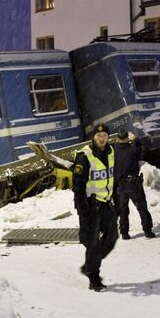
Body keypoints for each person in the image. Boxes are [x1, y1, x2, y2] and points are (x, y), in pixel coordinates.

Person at [72, 123, 118, 292]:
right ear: (93, 137)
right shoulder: (84, 156)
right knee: (92, 243)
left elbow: (114, 178)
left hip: (106, 203)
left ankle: (89, 266)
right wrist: (83, 210)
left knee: (111, 239)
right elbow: (78, 186)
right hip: (90, 206)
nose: (102, 138)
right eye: (99, 136)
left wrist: (117, 202)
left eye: (105, 135)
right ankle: (93, 277)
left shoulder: (111, 152)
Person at [113, 128, 155, 240]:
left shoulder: (114, 150)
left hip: (121, 185)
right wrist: (135, 139)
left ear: (117, 139)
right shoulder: (133, 149)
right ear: (127, 138)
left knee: (123, 210)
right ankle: (147, 230)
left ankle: (124, 233)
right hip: (133, 184)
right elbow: (144, 148)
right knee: (141, 207)